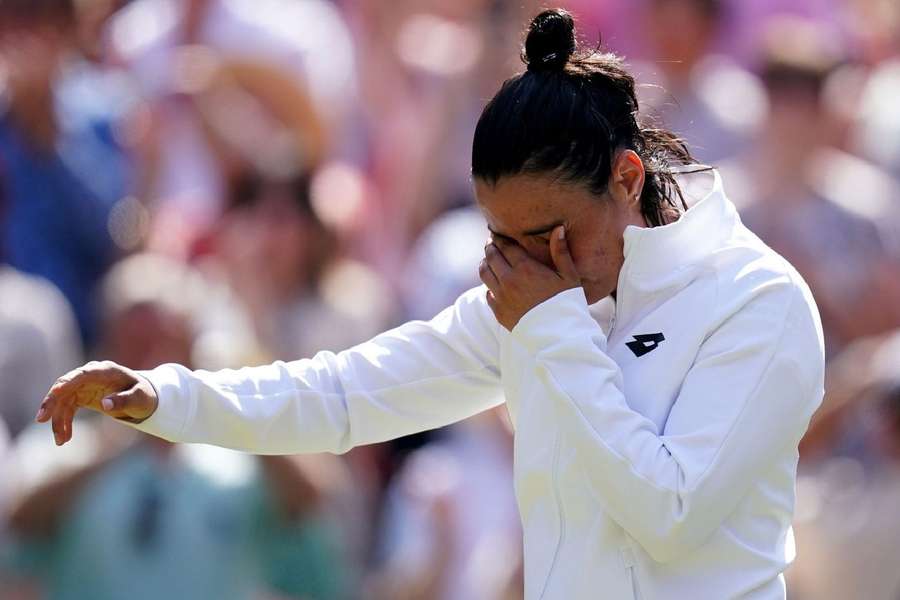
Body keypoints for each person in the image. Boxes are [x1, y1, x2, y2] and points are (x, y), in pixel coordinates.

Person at [35, 9, 825, 600]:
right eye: (506, 240)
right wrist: (167, 396)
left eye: (552, 233)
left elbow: (670, 515)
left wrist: (549, 329)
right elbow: (344, 395)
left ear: (625, 180)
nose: (528, 262)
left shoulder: (757, 302)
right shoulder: (544, 295)